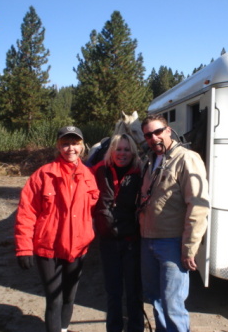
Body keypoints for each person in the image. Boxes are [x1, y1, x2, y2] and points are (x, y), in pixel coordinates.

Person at [14, 126, 99, 332]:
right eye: (65, 143)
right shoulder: (43, 175)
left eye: (75, 143)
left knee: (70, 297)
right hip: (48, 248)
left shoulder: (88, 175)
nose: (71, 148)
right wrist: (24, 247)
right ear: (58, 146)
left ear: (82, 146)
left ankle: (63, 329)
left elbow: (95, 211)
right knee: (54, 299)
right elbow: (26, 212)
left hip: (77, 248)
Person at [138, 114, 210, 332]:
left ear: (168, 131)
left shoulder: (187, 158)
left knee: (172, 304)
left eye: (158, 132)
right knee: (156, 299)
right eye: (148, 135)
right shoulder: (150, 160)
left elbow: (198, 206)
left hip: (172, 243)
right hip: (148, 239)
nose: (154, 138)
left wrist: (189, 248)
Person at [92, 133, 144, 332]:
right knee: (113, 291)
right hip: (108, 242)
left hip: (132, 241)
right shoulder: (99, 170)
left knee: (133, 291)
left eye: (126, 149)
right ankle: (113, 328)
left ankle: (135, 328)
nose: (122, 153)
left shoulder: (141, 172)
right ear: (111, 151)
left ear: (133, 151)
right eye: (118, 149)